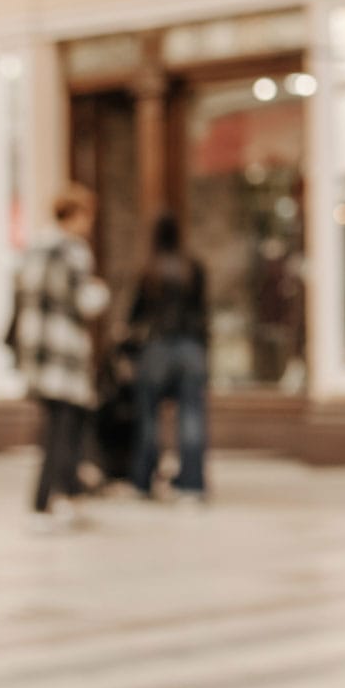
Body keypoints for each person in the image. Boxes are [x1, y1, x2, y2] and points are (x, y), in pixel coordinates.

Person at [11, 184, 110, 530]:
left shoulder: (36, 248)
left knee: (53, 428)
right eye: (87, 215)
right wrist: (100, 292)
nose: (90, 224)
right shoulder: (71, 252)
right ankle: (63, 497)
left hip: (38, 349)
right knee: (67, 427)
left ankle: (44, 500)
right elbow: (83, 301)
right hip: (63, 350)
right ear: (75, 215)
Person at [128, 214, 211, 503]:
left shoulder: (150, 271)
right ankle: (192, 484)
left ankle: (143, 479)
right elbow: (203, 312)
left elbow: (135, 316)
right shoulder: (193, 268)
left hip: (157, 349)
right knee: (191, 418)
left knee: (149, 418)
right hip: (190, 348)